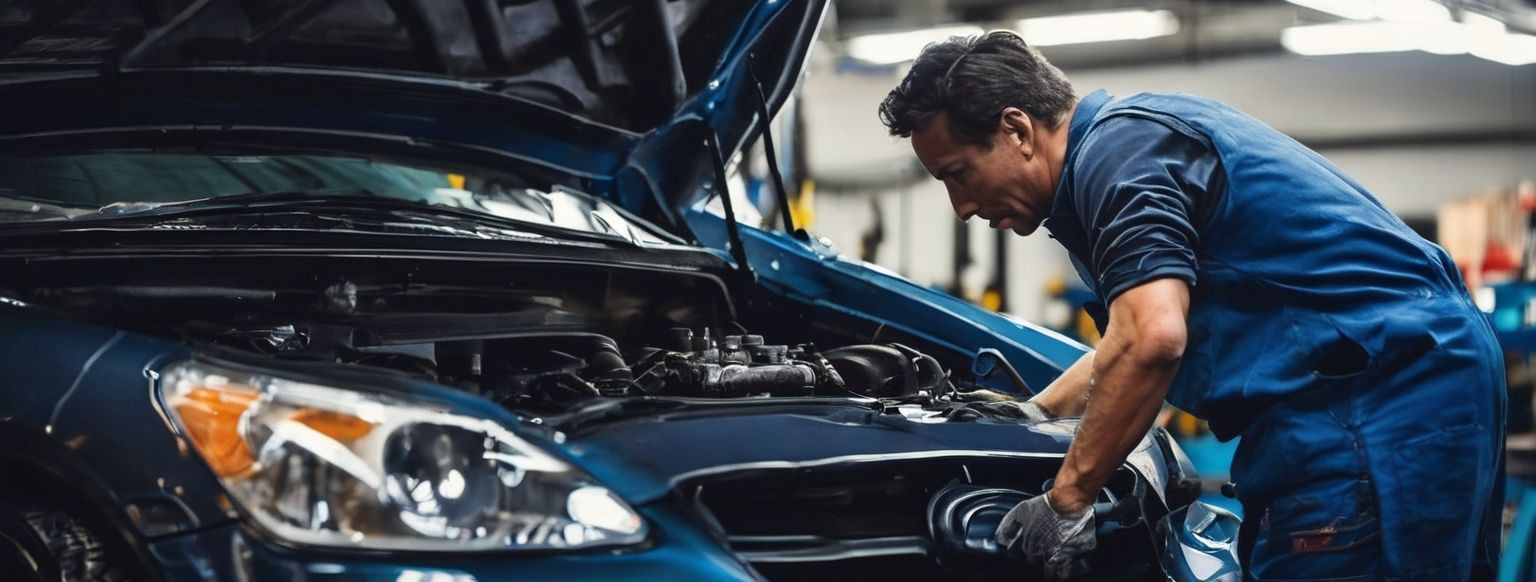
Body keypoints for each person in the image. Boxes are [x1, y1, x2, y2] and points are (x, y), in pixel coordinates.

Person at [878, 31, 1506, 580]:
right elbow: (1127, 345)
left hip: (1377, 405)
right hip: (1404, 384)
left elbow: (1154, 340)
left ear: (1017, 130)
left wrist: (1066, 500)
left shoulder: (1117, 159)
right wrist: (1035, 412)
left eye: (958, 173)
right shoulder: (1126, 145)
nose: (960, 206)